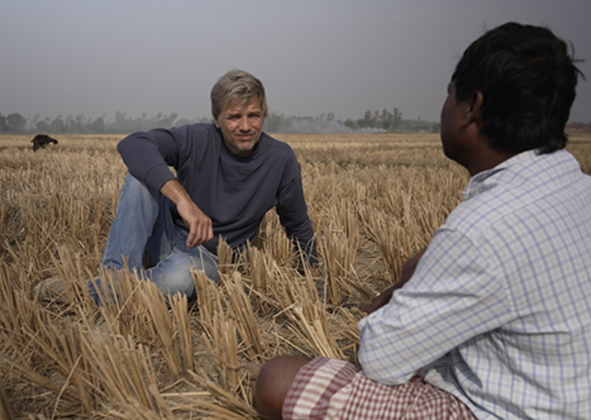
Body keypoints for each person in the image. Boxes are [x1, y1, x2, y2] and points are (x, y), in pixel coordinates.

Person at [253, 22, 590, 419]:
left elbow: (379, 359)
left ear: (472, 108)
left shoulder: (480, 230)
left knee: (277, 380)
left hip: (506, 410)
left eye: (449, 95)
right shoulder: (579, 189)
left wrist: (397, 295)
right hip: (566, 395)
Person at [89, 69, 318, 304]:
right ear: (217, 120)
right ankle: (114, 277)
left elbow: (297, 222)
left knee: (181, 278)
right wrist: (183, 200)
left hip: (205, 257)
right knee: (141, 175)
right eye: (234, 117)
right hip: (164, 235)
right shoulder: (195, 138)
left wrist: (312, 266)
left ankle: (97, 292)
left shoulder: (280, 159)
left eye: (254, 115)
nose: (246, 126)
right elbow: (134, 143)